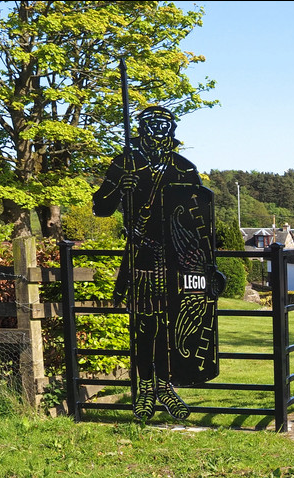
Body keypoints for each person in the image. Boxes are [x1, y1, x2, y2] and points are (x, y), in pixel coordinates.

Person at [93, 106, 200, 421]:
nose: (157, 131)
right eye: (151, 125)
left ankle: (165, 389)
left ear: (171, 130)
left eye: (162, 125)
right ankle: (144, 390)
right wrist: (118, 186)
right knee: (144, 327)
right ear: (140, 128)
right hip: (141, 256)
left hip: (176, 261)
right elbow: (101, 207)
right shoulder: (125, 164)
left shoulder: (184, 169)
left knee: (172, 326)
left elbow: (198, 221)